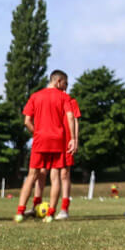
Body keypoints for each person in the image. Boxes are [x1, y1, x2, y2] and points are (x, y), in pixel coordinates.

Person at [14, 70, 75, 223]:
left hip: (40, 141)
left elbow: (27, 121)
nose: (64, 87)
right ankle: (50, 214)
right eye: (64, 84)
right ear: (59, 81)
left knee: (32, 175)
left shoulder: (35, 96)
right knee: (55, 178)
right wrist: (73, 138)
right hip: (58, 140)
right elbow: (70, 117)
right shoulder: (64, 97)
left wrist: (37, 133)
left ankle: (20, 212)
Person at [54, 93, 81, 220]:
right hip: (53, 140)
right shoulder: (51, 99)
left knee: (65, 174)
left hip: (66, 142)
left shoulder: (71, 100)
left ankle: (64, 208)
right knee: (51, 174)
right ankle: (43, 206)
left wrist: (75, 139)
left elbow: (75, 119)